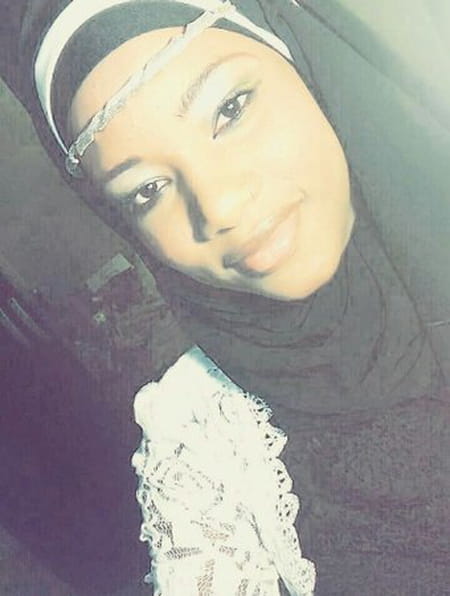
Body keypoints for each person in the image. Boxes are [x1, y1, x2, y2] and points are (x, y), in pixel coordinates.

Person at [1, 1, 449, 594]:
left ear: (298, 59)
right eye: (147, 190)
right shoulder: (206, 457)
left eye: (230, 109)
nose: (219, 207)